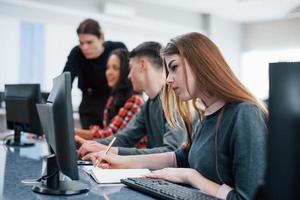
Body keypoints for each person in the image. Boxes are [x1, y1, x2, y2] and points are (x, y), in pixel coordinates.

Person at [86, 33, 268, 200]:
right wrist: (121, 162)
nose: (168, 80)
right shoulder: (208, 113)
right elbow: (180, 157)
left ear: (200, 64)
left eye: (174, 68)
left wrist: (190, 176)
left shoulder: (244, 114)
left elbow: (246, 198)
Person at [76, 41, 185, 157]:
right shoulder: (148, 106)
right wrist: (89, 145)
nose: (128, 76)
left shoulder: (174, 99)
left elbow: (171, 151)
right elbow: (125, 138)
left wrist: (114, 151)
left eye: (131, 68)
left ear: (143, 65)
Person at [63, 18, 127, 129]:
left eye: (89, 42)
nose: (84, 47)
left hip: (115, 104)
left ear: (101, 37)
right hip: (89, 107)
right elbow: (64, 84)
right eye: (81, 43)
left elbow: (128, 78)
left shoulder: (117, 48)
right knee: (91, 143)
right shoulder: (77, 53)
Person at [75, 49, 145, 148]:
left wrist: (72, 132)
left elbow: (110, 135)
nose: (109, 72)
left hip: (132, 157)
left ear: (126, 71)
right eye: (107, 68)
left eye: (115, 68)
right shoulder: (112, 99)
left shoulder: (135, 100)